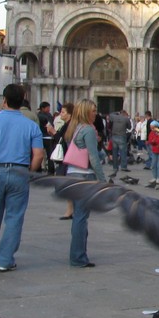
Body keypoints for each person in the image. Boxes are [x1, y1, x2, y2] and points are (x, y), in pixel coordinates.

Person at [0, 84, 45, 272]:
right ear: (22, 102)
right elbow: (38, 154)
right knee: (14, 218)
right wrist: (30, 172)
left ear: (4, 100)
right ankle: (5, 260)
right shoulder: (30, 125)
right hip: (20, 172)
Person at [62, 99, 104, 267]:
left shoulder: (74, 128)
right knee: (81, 217)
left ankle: (77, 255)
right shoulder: (87, 129)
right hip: (85, 175)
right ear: (86, 112)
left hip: (72, 173)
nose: (95, 114)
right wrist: (102, 180)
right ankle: (78, 257)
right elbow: (93, 157)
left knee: (78, 217)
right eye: (93, 111)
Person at [51, 103, 75, 220]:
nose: (61, 114)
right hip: (66, 158)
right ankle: (70, 209)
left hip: (67, 159)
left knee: (65, 184)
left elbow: (62, 140)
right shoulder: (67, 124)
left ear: (69, 114)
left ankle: (71, 210)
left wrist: (53, 132)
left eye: (63, 112)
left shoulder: (69, 126)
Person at [106, 108, 132, 176]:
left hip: (114, 136)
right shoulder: (126, 119)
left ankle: (115, 166)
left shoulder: (114, 117)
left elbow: (110, 115)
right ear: (125, 114)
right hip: (122, 136)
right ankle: (123, 166)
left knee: (114, 152)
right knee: (123, 152)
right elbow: (129, 127)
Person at [146, 117, 159, 188]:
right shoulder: (151, 133)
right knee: (153, 164)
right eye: (151, 128)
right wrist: (152, 142)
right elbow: (149, 140)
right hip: (154, 149)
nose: (152, 129)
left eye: (153, 127)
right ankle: (154, 177)